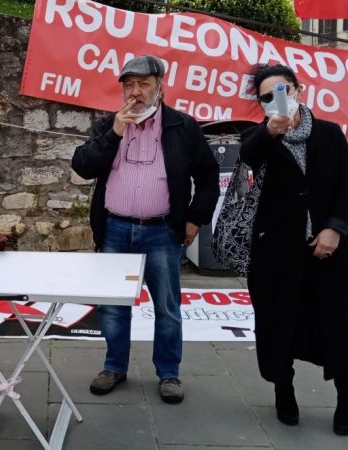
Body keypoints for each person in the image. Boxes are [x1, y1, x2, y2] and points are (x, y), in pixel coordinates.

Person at [71, 55, 219, 404]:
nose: (136, 92)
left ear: (159, 86)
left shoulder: (182, 126)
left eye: (144, 84)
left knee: (167, 307)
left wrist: (195, 218)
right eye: (129, 85)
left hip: (161, 232)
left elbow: (209, 176)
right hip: (115, 230)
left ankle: (169, 373)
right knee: (112, 306)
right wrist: (115, 133)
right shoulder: (110, 125)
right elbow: (83, 166)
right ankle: (114, 367)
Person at [237, 64, 348, 435]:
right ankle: (284, 391)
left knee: (335, 324)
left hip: (328, 251)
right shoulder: (257, 138)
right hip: (276, 253)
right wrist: (269, 134)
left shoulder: (329, 133)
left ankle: (347, 398)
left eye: (283, 90)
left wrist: (334, 228)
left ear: (298, 90)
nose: (277, 100)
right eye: (266, 96)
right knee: (278, 324)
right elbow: (245, 168)